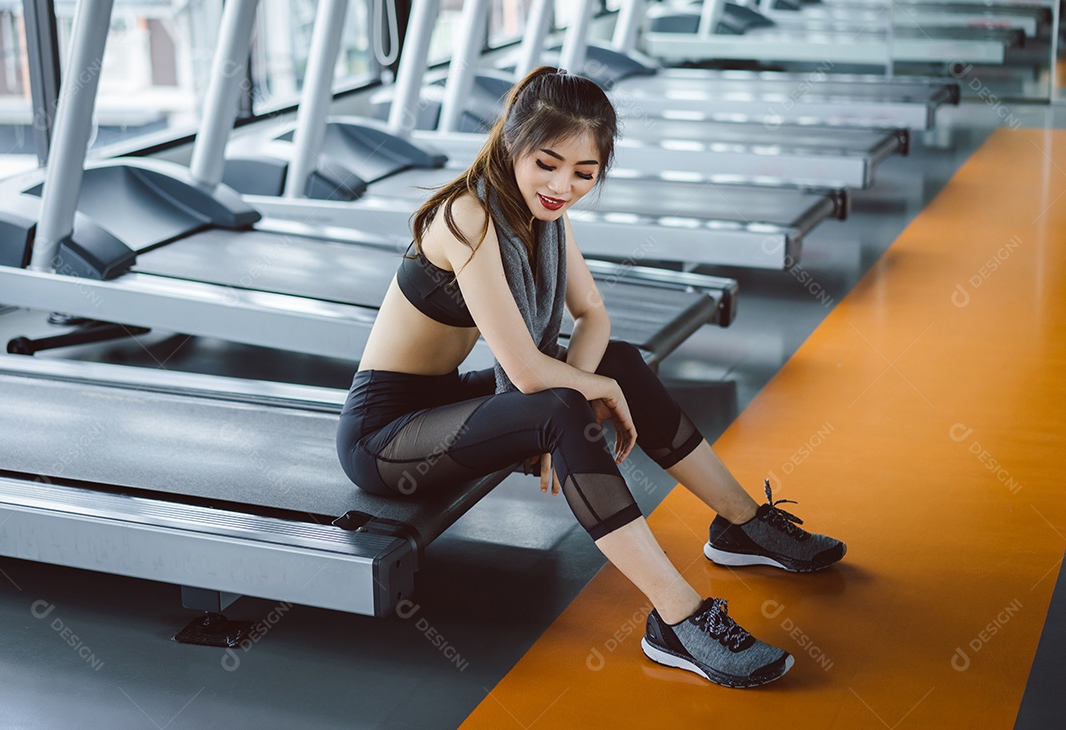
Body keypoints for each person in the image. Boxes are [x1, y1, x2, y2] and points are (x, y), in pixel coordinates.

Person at [337, 66, 845, 689]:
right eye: (548, 163)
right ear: (511, 143)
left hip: (444, 404)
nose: (562, 186)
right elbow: (525, 372)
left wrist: (587, 385)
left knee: (619, 363)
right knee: (571, 399)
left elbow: (593, 313)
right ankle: (678, 618)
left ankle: (741, 525)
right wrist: (581, 397)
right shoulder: (464, 216)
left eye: (584, 173)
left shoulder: (542, 214)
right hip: (386, 437)